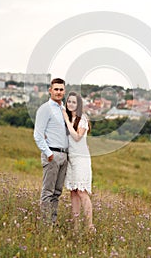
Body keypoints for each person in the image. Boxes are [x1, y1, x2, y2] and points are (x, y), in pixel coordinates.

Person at [34, 78, 68, 225]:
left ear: (64, 91)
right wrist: (49, 154)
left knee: (57, 192)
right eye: (56, 89)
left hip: (64, 155)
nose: (59, 92)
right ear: (50, 90)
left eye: (61, 89)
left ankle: (52, 223)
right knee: (48, 192)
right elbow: (37, 134)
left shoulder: (64, 109)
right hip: (52, 155)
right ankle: (45, 225)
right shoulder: (45, 109)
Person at [63, 92, 95, 232]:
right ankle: (75, 226)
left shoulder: (82, 119)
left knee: (82, 191)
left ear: (79, 104)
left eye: (74, 102)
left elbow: (76, 137)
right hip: (71, 159)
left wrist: (66, 119)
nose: (70, 104)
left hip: (81, 159)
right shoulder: (69, 119)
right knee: (73, 192)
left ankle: (89, 226)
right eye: (69, 101)